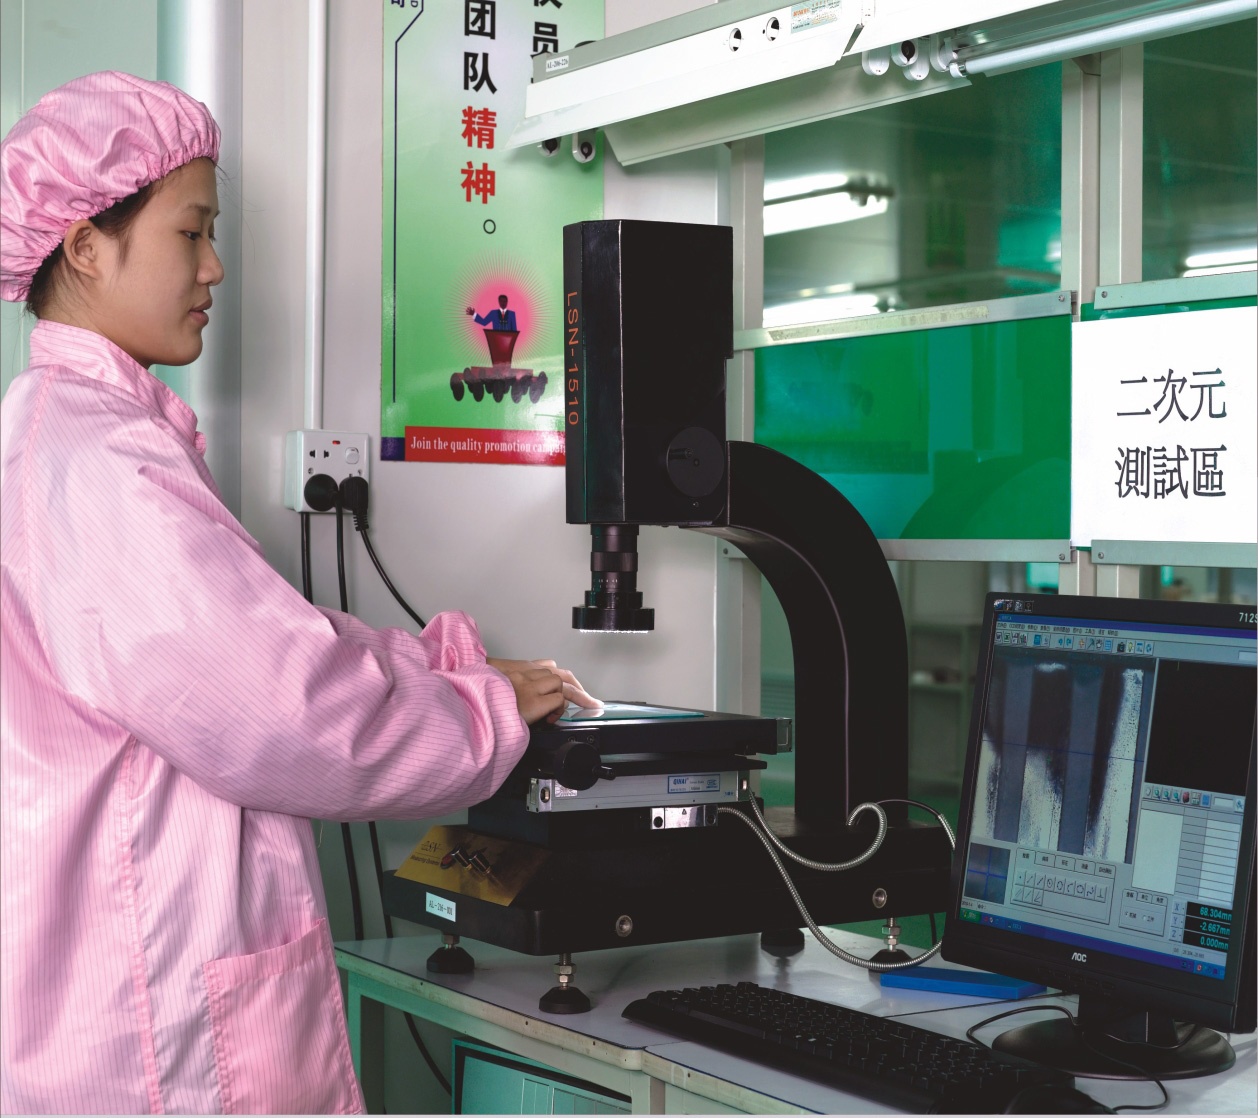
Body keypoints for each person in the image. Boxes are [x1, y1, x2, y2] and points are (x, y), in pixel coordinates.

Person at [0, 71, 597, 1114]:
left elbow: (263, 636)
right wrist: (482, 713)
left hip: (111, 987)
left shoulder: (63, 433)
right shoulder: (102, 464)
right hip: (154, 1031)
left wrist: (443, 665)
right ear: (87, 245)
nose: (215, 265)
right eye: (191, 232)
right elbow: (288, 710)